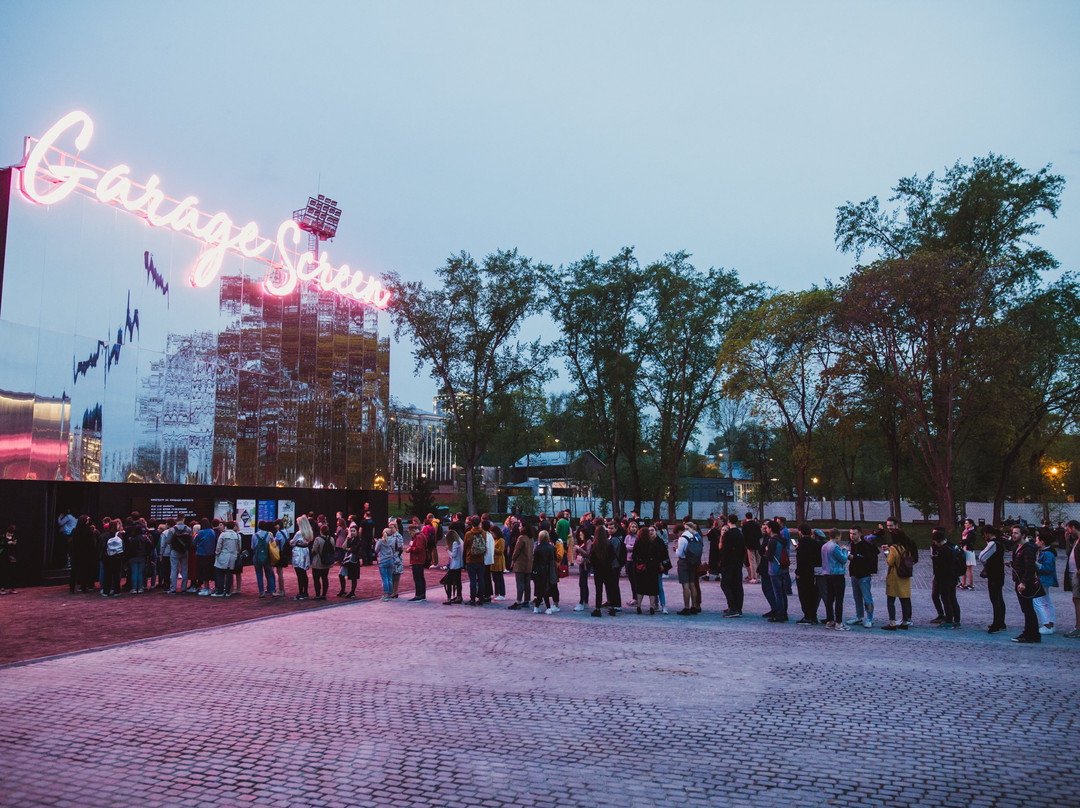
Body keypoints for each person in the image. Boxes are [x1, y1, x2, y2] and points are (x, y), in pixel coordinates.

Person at [880, 521, 917, 631]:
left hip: (895, 576)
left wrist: (886, 553)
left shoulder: (894, 548)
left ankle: (892, 623)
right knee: (904, 599)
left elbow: (890, 562)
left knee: (891, 600)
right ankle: (905, 621)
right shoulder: (907, 548)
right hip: (905, 576)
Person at [1012, 527, 1044, 643]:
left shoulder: (1027, 549)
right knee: (1026, 608)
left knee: (1028, 608)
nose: (1013, 535)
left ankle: (1032, 634)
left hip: (1025, 582)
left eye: (1016, 533)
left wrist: (1024, 583)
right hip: (1020, 580)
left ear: (1023, 534)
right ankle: (1029, 632)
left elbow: (1030, 567)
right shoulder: (1019, 548)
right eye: (1013, 533)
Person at [979, 525, 1009, 633]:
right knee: (999, 598)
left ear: (987, 533)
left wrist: (986, 563)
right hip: (999, 573)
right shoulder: (999, 542)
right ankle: (1001, 622)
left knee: (995, 599)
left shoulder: (993, 544)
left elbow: (981, 557)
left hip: (993, 574)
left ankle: (996, 625)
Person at [929, 529, 962, 628]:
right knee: (952, 598)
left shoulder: (943, 550)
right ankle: (957, 620)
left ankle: (949, 621)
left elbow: (940, 566)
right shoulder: (952, 546)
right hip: (953, 577)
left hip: (944, 578)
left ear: (937, 541)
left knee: (945, 599)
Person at [846, 526, 877, 628]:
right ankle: (859, 616)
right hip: (854, 574)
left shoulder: (864, 545)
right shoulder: (852, 544)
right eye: (851, 533)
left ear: (859, 534)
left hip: (864, 575)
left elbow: (866, 560)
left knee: (867, 598)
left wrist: (853, 557)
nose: (852, 536)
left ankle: (869, 618)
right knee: (857, 597)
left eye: (854, 534)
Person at [795, 527, 824, 625]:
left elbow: (801, 560)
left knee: (804, 595)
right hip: (813, 572)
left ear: (800, 532)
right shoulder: (815, 543)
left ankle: (808, 616)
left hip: (804, 573)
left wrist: (798, 572)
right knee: (812, 594)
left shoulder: (802, 543)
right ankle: (813, 615)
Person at [822, 529, 850, 630]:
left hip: (827, 574)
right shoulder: (835, 547)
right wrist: (845, 550)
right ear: (837, 536)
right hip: (837, 575)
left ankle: (830, 620)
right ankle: (838, 622)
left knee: (830, 598)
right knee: (839, 599)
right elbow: (843, 559)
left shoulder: (824, 546)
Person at [631, 527, 661, 614]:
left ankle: (639, 606)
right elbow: (657, 556)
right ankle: (652, 606)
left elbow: (633, 556)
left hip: (640, 567)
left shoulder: (638, 543)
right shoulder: (653, 543)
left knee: (640, 588)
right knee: (652, 588)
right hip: (652, 567)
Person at [675, 521, 703, 616]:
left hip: (684, 562)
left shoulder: (682, 538)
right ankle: (694, 606)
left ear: (679, 531)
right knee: (693, 584)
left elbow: (679, 553)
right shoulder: (693, 536)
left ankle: (686, 607)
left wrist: (676, 549)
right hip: (693, 562)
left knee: (685, 586)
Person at [589, 525, 615, 617]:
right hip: (608, 568)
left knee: (598, 590)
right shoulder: (609, 544)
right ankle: (612, 607)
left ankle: (598, 608)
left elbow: (591, 558)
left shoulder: (594, 544)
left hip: (598, 570)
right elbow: (612, 556)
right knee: (610, 588)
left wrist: (594, 567)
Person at [532, 530, 559, 614]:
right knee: (546, 589)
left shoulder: (537, 547)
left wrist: (534, 571)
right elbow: (555, 558)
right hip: (549, 569)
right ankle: (547, 607)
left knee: (541, 588)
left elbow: (535, 561)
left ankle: (537, 606)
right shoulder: (551, 547)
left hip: (539, 569)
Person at [213, 521, 241, 597]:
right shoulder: (237, 536)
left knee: (220, 573)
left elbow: (218, 546)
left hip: (223, 555)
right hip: (233, 556)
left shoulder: (223, 535)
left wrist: (217, 554)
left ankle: (220, 591)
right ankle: (228, 591)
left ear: (226, 527)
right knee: (229, 573)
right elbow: (239, 548)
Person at [463, 516, 487, 606]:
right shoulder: (483, 533)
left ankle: (472, 599)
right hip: (481, 559)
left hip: (471, 559)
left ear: (471, 523)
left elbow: (465, 547)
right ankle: (481, 598)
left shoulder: (469, 534)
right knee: (481, 579)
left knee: (472, 580)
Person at [124, 521, 152, 594]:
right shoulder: (145, 538)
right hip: (142, 556)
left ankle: (134, 588)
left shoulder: (131, 539)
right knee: (140, 573)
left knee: (134, 573)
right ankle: (140, 588)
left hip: (133, 557)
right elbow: (150, 546)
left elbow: (127, 548)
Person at [509, 524, 533, 609]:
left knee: (520, 583)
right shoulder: (531, 538)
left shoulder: (521, 538)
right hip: (529, 564)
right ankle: (526, 601)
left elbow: (516, 551)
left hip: (520, 564)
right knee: (527, 584)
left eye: (520, 526)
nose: (519, 527)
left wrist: (513, 559)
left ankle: (518, 602)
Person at [251, 521, 276, 598]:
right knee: (269, 574)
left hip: (257, 556)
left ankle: (261, 592)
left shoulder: (254, 535)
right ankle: (272, 591)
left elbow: (252, 547)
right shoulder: (270, 534)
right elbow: (273, 544)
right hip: (267, 556)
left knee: (259, 574)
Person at [291, 515, 313, 600]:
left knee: (299, 573)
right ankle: (305, 592)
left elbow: (293, 542)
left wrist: (291, 542)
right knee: (304, 573)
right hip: (305, 552)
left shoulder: (299, 533)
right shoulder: (309, 532)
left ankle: (300, 592)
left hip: (298, 552)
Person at [193, 519, 217, 596]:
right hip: (211, 554)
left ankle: (206, 588)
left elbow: (194, 542)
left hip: (202, 554)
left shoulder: (201, 532)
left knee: (202, 572)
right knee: (208, 571)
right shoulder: (212, 531)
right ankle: (208, 588)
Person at [310, 524, 333, 601]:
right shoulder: (331, 539)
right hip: (327, 562)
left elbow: (314, 550)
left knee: (316, 579)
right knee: (325, 578)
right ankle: (324, 594)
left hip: (318, 562)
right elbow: (333, 549)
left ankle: (317, 595)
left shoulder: (318, 539)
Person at [337, 526, 361, 598]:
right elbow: (343, 547)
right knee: (341, 574)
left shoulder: (358, 540)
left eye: (354, 531)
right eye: (351, 531)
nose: (352, 532)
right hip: (347, 559)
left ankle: (352, 592)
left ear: (357, 532)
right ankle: (343, 590)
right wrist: (347, 539)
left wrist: (348, 549)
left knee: (353, 577)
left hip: (354, 560)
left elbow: (353, 549)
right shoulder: (350, 539)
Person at [406, 524, 428, 602]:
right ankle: (422, 594)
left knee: (417, 578)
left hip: (417, 559)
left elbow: (419, 548)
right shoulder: (422, 535)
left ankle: (418, 595)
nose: (410, 534)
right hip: (420, 559)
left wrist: (410, 549)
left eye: (410, 532)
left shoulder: (418, 537)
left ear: (413, 530)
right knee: (421, 577)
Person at [572, 526, 591, 611]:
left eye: (581, 535)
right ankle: (585, 601)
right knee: (583, 583)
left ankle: (582, 602)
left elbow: (588, 553)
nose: (580, 536)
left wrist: (579, 549)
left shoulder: (588, 542)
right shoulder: (584, 542)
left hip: (585, 564)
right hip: (583, 564)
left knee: (582, 583)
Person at [442, 529, 463, 604]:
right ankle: (459, 596)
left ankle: (449, 598)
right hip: (459, 564)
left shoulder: (454, 543)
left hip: (454, 565)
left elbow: (453, 555)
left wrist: (448, 550)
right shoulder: (460, 541)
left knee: (448, 582)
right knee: (458, 581)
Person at [375, 527, 396, 601]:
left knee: (385, 579)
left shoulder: (381, 541)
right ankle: (390, 594)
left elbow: (376, 550)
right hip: (390, 560)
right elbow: (394, 549)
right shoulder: (393, 540)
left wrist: (376, 542)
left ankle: (386, 594)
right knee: (390, 577)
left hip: (383, 560)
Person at [742, 513, 762, 584]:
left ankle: (753, 577)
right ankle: (759, 576)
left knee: (752, 561)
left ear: (746, 517)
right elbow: (760, 535)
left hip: (749, 545)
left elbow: (744, 536)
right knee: (758, 560)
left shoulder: (745, 525)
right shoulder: (756, 524)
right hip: (757, 544)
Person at [960, 518, 977, 590]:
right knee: (964, 567)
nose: (965, 524)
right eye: (965, 523)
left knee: (969, 568)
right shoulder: (965, 531)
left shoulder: (972, 532)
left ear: (971, 524)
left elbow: (968, 540)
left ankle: (971, 584)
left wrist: (962, 542)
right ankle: (963, 583)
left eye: (967, 523)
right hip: (964, 550)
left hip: (969, 551)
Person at [0, 525, 18, 595]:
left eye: (12, 533)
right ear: (7, 532)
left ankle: (12, 588)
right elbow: (1, 546)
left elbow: (16, 548)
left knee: (12, 573)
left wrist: (14, 544)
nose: (11, 534)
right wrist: (7, 543)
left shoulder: (14, 537)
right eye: (10, 533)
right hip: (3, 557)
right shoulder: (2, 537)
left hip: (11, 557)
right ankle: (2, 588)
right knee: (3, 573)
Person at [491, 526, 507, 601]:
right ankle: (497, 593)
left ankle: (502, 594)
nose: (492, 535)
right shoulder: (495, 540)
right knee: (495, 579)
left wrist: (492, 548)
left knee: (499, 578)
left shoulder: (501, 540)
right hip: (494, 561)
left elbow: (500, 551)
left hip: (499, 561)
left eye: (493, 533)